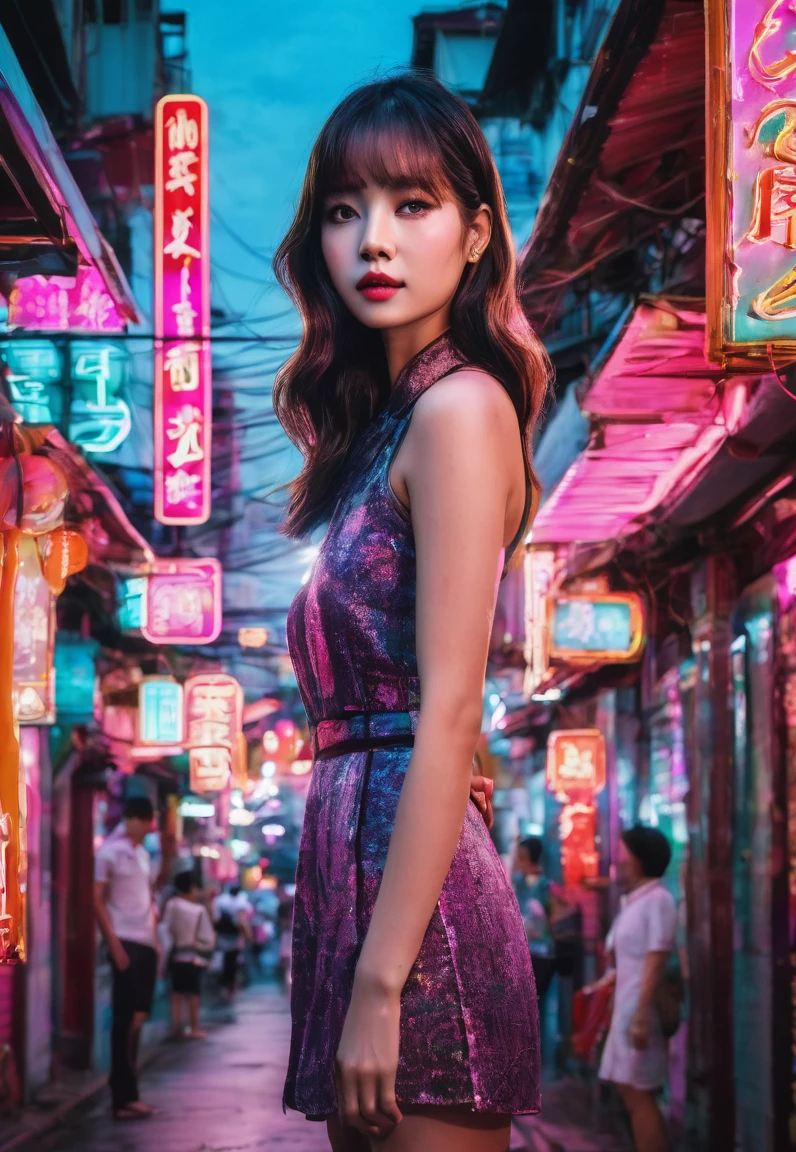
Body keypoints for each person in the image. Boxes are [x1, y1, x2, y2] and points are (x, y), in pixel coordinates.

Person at [275, 71, 549, 1151]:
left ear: (476, 231)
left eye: (410, 204)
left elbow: (447, 712)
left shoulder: (458, 409)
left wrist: (383, 983)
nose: (371, 241)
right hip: (363, 889)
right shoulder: (382, 433)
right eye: (344, 211)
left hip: (412, 921)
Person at [599, 825, 677, 1152]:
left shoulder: (659, 900)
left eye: (622, 854)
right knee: (630, 1094)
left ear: (640, 860)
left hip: (639, 1012)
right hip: (626, 1009)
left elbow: (656, 961)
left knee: (640, 1096)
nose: (616, 861)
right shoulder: (634, 901)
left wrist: (642, 1016)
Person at [93, 796, 159, 1121]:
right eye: (145, 821)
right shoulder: (108, 852)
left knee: (137, 1019)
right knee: (124, 1021)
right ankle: (121, 1098)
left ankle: (128, 1094)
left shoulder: (143, 854)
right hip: (125, 942)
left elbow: (148, 899)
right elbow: (96, 901)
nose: (148, 828)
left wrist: (156, 941)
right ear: (132, 819)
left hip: (146, 943)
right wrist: (114, 945)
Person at [162, 871, 215, 1039]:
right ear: (192, 887)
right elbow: (207, 935)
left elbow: (166, 929)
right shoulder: (198, 910)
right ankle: (194, 1027)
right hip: (194, 957)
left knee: (176, 993)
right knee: (193, 993)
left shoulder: (172, 904)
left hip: (176, 955)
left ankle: (177, 1027)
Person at [513, 836, 555, 1000]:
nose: (518, 860)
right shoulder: (517, 883)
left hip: (541, 951)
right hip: (521, 951)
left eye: (521, 856)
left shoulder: (547, 886)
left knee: (538, 999)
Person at [213, 885, 251, 1004]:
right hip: (234, 939)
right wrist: (246, 937)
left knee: (225, 965)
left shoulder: (220, 901)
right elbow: (242, 922)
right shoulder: (240, 903)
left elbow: (215, 920)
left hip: (222, 938)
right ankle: (232, 989)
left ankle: (225, 989)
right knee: (233, 965)